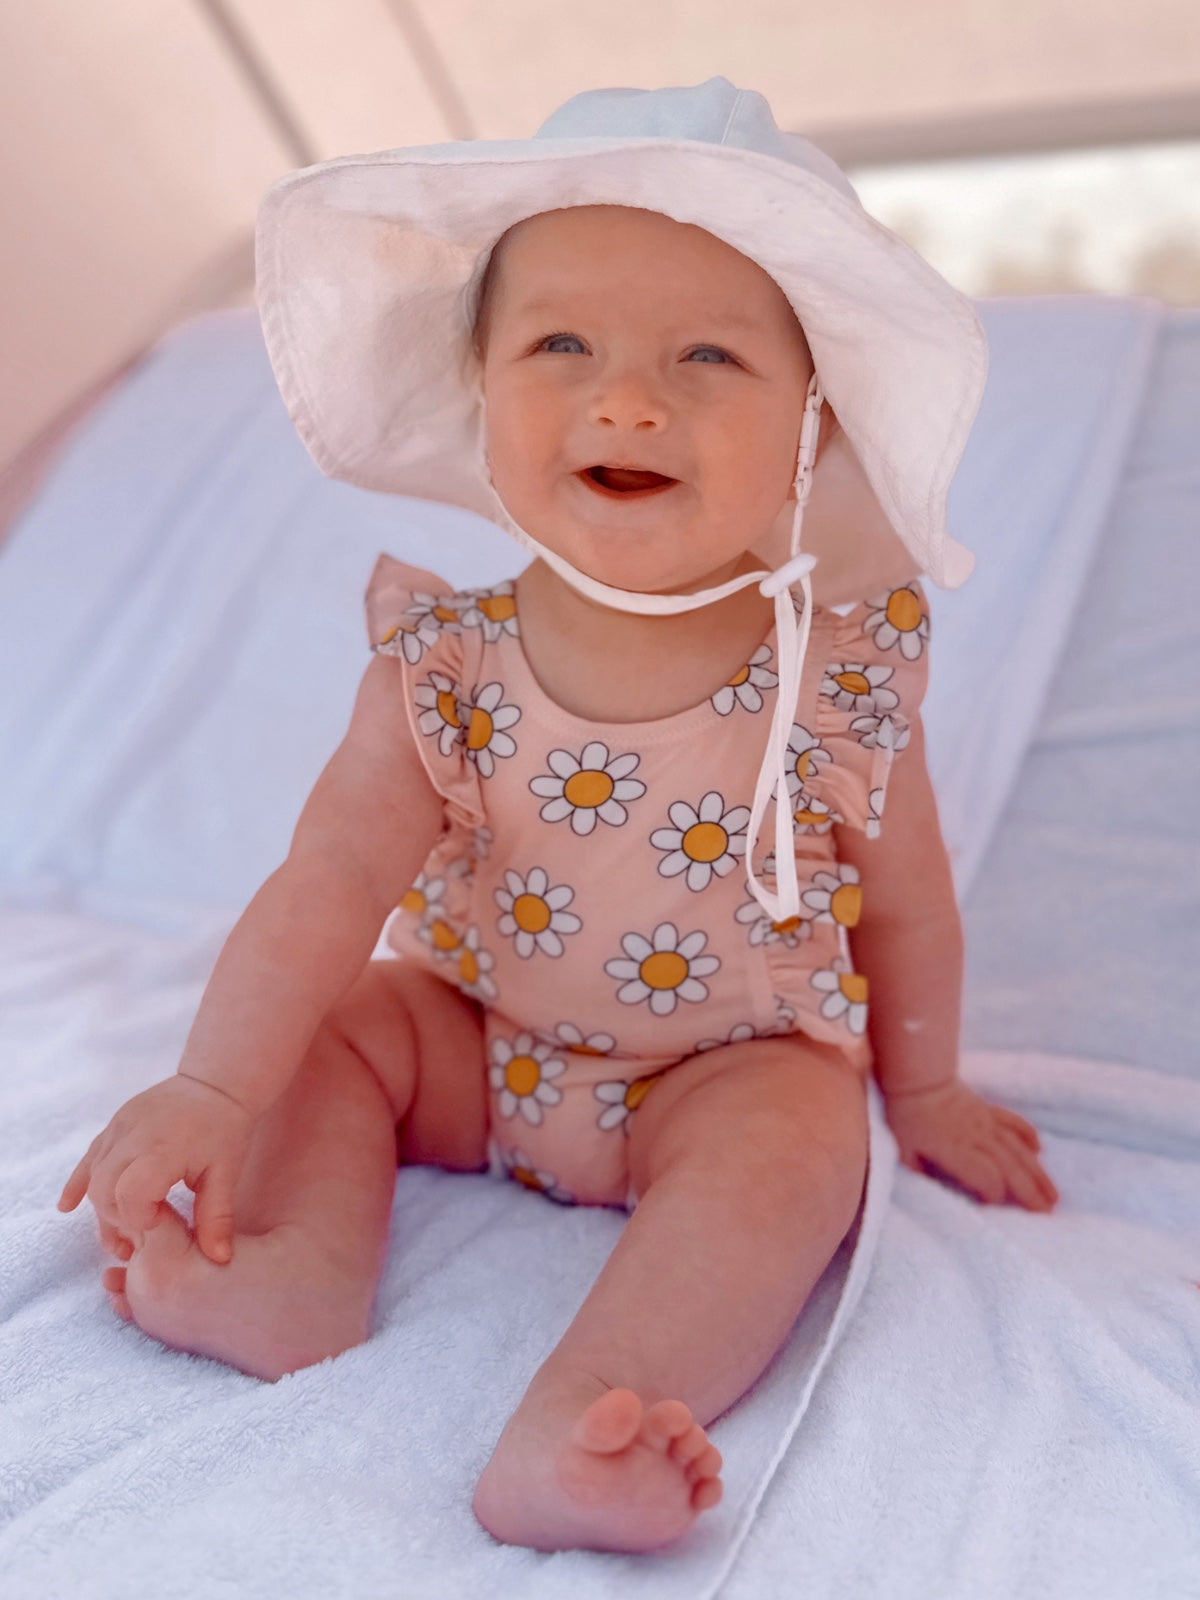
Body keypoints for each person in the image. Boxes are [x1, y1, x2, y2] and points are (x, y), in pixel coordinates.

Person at [57, 77, 1059, 1555]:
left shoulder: (833, 680)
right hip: (477, 1041)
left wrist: (925, 1095)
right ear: (480, 384)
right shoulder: (444, 664)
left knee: (803, 1142)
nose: (629, 397)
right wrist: (212, 1086)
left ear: (811, 426)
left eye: (709, 355)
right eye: (560, 344)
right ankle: (297, 1271)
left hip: (718, 1067)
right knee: (343, 1020)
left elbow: (908, 900)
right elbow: (329, 879)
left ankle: (589, 1416)